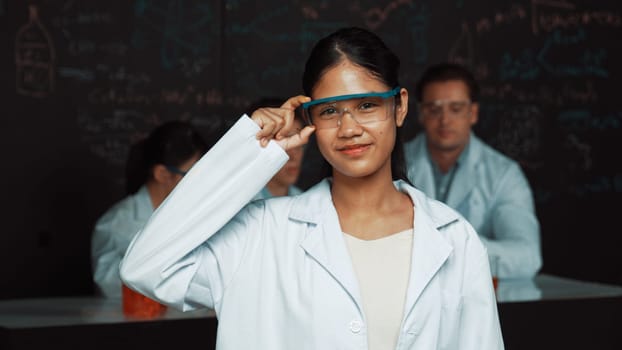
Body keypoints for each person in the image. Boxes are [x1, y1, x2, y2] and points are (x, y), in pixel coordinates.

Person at [120, 27, 503, 349]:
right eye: (330, 110)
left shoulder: (455, 239)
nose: (349, 127)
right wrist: (245, 151)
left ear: (399, 106)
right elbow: (145, 266)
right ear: (309, 119)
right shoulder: (261, 233)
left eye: (367, 105)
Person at [403, 62, 542, 279]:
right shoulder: (392, 166)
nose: (445, 120)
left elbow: (527, 256)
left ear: (473, 113)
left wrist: (451, 247)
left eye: (456, 109)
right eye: (434, 109)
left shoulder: (504, 174)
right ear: (420, 113)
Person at [91, 121, 208, 298]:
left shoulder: (197, 215)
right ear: (162, 174)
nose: (201, 183)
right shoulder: (116, 223)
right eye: (193, 174)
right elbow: (108, 286)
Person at [246, 98, 305, 200]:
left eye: (298, 144)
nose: (293, 156)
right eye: (282, 143)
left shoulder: (305, 201)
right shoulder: (238, 203)